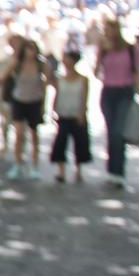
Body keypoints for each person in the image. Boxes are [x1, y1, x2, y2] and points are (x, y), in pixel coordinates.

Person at [95, 17, 139, 188]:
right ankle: (111, 170)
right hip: (108, 92)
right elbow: (96, 72)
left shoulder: (131, 50)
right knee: (111, 132)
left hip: (124, 93)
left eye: (110, 29)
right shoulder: (104, 49)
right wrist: (100, 53)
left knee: (118, 132)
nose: (108, 33)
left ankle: (119, 171)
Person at [2, 37, 49, 181]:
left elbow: (45, 85)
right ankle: (17, 163)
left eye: (32, 48)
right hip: (19, 100)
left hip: (34, 101)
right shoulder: (17, 63)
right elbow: (4, 77)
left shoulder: (42, 65)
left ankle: (34, 167)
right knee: (19, 134)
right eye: (28, 49)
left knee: (34, 135)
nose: (30, 52)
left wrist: (44, 105)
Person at [49, 48, 92, 184]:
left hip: (76, 115)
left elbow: (84, 97)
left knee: (80, 142)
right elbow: (56, 95)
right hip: (63, 114)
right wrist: (53, 110)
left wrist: (82, 114)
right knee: (60, 142)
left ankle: (78, 170)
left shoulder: (83, 79)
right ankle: (61, 171)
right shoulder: (59, 78)